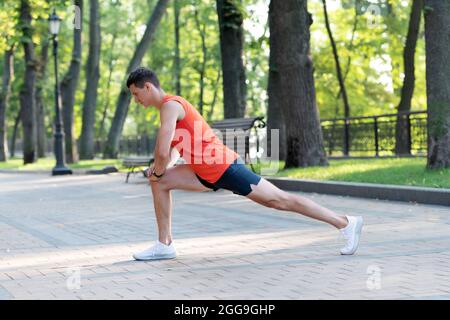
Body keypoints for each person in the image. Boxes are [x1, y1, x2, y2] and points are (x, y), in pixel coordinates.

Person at [127, 67, 363, 261]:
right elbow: (169, 152)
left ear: (148, 87)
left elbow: (160, 149)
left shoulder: (170, 105)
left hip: (223, 167)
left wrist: (158, 169)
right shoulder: (168, 109)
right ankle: (164, 244)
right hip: (203, 171)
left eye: (136, 94)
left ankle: (344, 223)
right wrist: (159, 172)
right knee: (159, 183)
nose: (136, 100)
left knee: (279, 200)